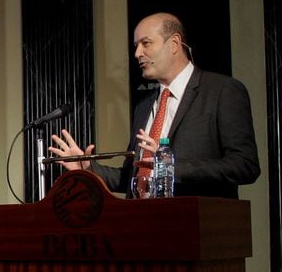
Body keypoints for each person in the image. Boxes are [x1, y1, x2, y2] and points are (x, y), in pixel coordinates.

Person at [48, 12, 260, 198]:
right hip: (148, 227)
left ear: (174, 44)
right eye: (136, 46)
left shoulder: (222, 90)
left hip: (201, 227)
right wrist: (88, 168)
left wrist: (170, 167)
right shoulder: (144, 105)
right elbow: (135, 177)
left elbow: (244, 166)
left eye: (146, 43)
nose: (137, 53)